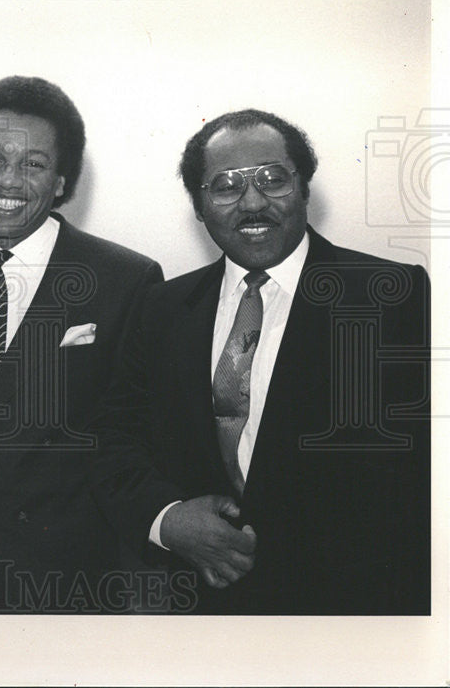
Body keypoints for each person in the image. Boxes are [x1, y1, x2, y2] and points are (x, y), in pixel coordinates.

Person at [91, 109, 430, 614]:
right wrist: (167, 519)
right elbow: (115, 440)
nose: (252, 202)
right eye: (225, 186)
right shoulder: (161, 309)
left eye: (272, 179)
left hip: (353, 612)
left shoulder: (394, 297)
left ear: (304, 188)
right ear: (200, 207)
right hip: (204, 611)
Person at [0, 76, 163, 612]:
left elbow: (133, 439)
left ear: (63, 181)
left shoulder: (126, 279)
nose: (8, 181)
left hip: (68, 583)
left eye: (34, 164)